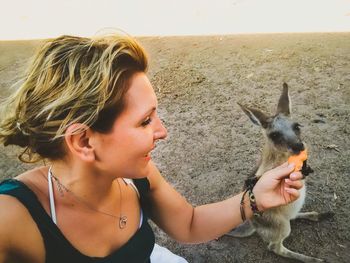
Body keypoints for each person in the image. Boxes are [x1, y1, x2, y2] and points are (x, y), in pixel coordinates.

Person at [0, 34, 303, 263]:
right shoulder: (11, 217)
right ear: (83, 142)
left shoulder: (136, 175)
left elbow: (189, 223)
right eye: (145, 121)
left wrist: (256, 197)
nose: (163, 131)